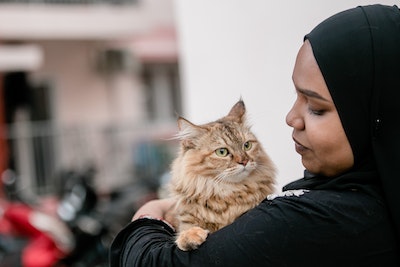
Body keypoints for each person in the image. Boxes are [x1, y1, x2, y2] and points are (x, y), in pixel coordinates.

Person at [109, 4, 400, 266]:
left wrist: (148, 216)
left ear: (375, 116)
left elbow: (153, 263)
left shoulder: (310, 222)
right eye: (296, 96)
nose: (291, 118)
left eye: (316, 107)